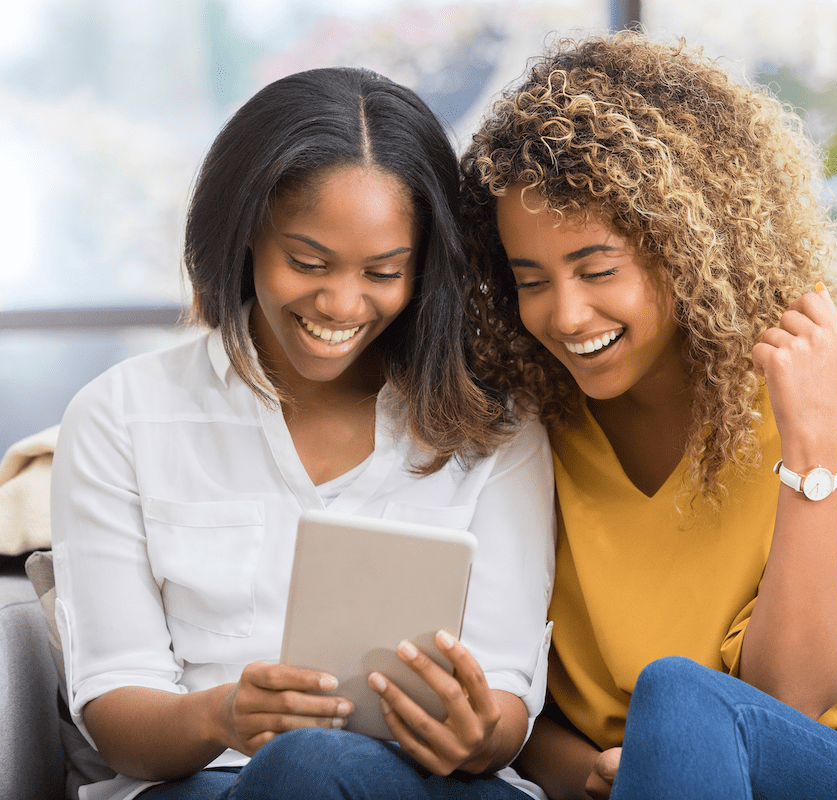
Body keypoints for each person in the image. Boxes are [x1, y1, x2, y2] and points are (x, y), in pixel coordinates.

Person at [460, 34, 837, 800]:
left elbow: (791, 699)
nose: (565, 315)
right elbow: (527, 710)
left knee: (680, 695)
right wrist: (600, 771)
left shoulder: (815, 383)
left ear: (689, 245)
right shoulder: (540, 421)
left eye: (598, 270)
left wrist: (811, 446)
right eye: (532, 280)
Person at [51, 67, 554, 800]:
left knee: (317, 765)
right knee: (303, 767)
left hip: (434, 788)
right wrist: (222, 715)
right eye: (308, 263)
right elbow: (116, 712)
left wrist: (480, 733)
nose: (343, 303)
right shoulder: (120, 418)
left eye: (384, 271)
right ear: (244, 232)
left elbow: (507, 697)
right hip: (215, 784)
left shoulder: (495, 427)